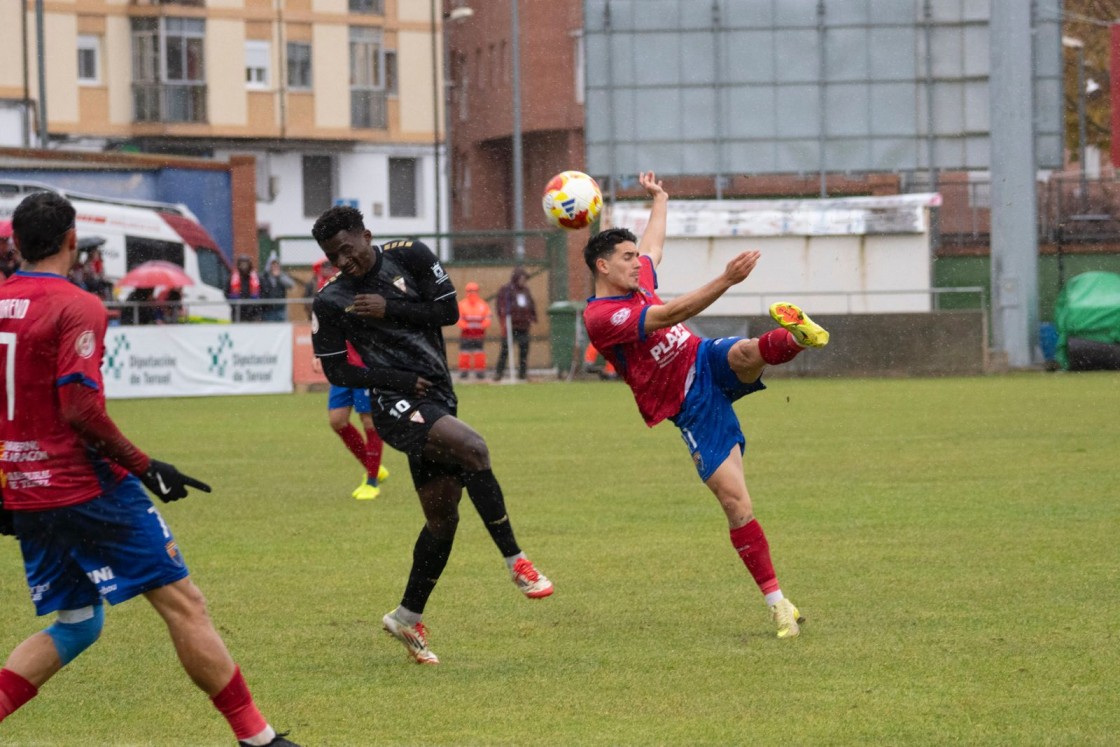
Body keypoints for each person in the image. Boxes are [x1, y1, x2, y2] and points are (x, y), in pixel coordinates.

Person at [0, 191, 298, 745]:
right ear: (72, 240)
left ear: (15, 243)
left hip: (25, 490)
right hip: (86, 486)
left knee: (78, 623)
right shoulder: (77, 305)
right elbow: (80, 409)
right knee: (184, 605)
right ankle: (259, 739)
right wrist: (146, 467)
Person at [582, 171, 830, 640]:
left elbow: (654, 244)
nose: (638, 263)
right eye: (627, 258)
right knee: (736, 502)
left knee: (745, 352)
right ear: (603, 266)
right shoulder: (601, 316)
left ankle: (799, 338)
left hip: (701, 357)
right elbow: (671, 313)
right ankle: (779, 604)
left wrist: (660, 198)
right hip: (688, 405)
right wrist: (727, 280)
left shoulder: (635, 280)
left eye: (635, 257)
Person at [310, 205, 553, 665]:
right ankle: (516, 561)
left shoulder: (412, 256)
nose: (342, 261)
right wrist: (396, 380)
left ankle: (406, 616)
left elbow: (447, 312)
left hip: (438, 395)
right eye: (332, 256)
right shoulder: (331, 299)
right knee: (474, 449)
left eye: (346, 249)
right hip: (394, 402)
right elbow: (337, 370)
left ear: (366, 235)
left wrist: (390, 307)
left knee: (443, 521)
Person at [312, 354, 389, 500]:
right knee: (337, 421)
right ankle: (373, 466)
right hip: (341, 368)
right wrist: (318, 353)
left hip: (365, 366)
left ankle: (372, 482)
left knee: (369, 421)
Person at [493, 266, 537, 380]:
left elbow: (531, 304)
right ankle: (499, 373)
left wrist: (532, 317)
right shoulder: (506, 290)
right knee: (505, 350)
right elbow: (500, 305)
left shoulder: (526, 291)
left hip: (524, 326)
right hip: (511, 326)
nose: (523, 281)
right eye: (522, 278)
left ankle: (522, 373)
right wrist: (504, 316)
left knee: (524, 351)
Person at [456, 281, 492, 380]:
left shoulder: (482, 304)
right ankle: (464, 372)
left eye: (474, 291)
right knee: (465, 353)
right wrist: (468, 327)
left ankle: (479, 372)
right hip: (467, 334)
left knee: (478, 353)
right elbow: (458, 319)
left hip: (478, 334)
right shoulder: (462, 304)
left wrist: (480, 326)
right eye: (470, 291)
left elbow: (488, 318)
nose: (472, 293)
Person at [259, 255, 295, 322]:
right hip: (268, 310)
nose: (275, 266)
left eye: (277, 264)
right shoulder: (263, 277)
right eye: (273, 264)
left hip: (280, 309)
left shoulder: (282, 275)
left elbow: (291, 284)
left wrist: (279, 277)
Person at [228, 255, 262, 322]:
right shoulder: (232, 278)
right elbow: (226, 292)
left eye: (245, 263)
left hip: (253, 312)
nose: (244, 266)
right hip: (237, 311)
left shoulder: (256, 277)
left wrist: (255, 305)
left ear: (249, 264)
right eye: (242, 264)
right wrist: (233, 304)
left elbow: (262, 291)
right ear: (239, 265)